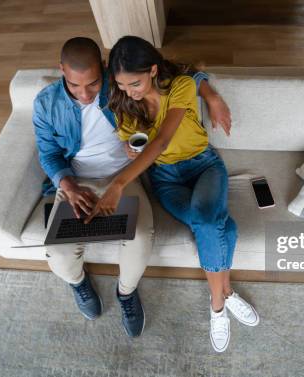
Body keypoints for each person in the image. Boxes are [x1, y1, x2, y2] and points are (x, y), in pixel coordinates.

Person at [32, 37, 230, 337]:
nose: (84, 95)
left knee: (141, 238)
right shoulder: (47, 103)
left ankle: (126, 293)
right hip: (76, 179)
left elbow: (177, 75)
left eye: (92, 85)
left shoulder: (121, 84)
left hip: (126, 174)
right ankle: (78, 282)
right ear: (61, 71)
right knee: (58, 253)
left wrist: (211, 94)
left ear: (103, 69)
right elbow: (48, 153)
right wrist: (68, 186)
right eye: (74, 86)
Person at [85, 35, 259, 352]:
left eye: (134, 83)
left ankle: (217, 306)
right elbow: (140, 140)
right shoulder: (122, 102)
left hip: (203, 165)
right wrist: (128, 146)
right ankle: (228, 291)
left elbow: (162, 141)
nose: (128, 92)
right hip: (165, 180)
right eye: (122, 85)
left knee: (207, 221)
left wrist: (119, 184)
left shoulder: (179, 87)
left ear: (153, 70)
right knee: (217, 223)